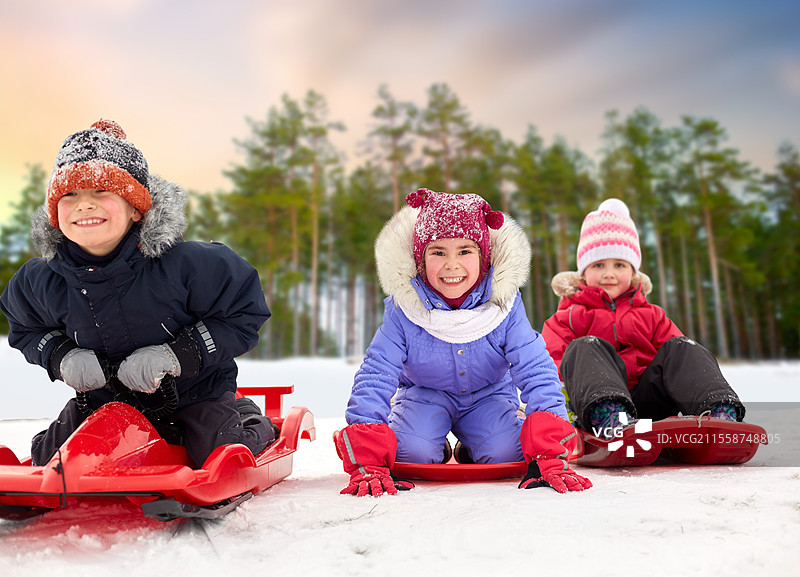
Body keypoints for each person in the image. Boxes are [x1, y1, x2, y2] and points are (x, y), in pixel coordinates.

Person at [0, 119, 277, 468]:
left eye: (101, 192)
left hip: (195, 393)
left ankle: (250, 419)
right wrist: (61, 356)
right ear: (55, 213)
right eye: (69, 195)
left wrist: (177, 354)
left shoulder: (190, 265)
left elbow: (243, 313)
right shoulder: (40, 279)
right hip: (104, 398)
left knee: (217, 456)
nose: (84, 206)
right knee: (49, 460)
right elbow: (26, 328)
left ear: (135, 208)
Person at [333, 188, 592, 496]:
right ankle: (433, 442)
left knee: (509, 454)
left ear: (483, 258)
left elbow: (535, 367)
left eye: (465, 251)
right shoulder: (404, 309)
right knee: (409, 455)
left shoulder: (504, 305)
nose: (451, 265)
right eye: (438, 252)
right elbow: (376, 372)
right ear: (420, 260)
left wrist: (551, 451)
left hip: (489, 395)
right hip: (425, 395)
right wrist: (369, 459)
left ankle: (475, 444)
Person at [542, 198, 745, 439]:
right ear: (583, 274)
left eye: (619, 265)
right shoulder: (567, 318)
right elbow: (547, 368)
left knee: (682, 347)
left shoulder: (652, 315)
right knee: (584, 346)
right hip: (595, 406)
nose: (609, 274)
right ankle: (611, 416)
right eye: (598, 265)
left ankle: (719, 413)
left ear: (633, 272)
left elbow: (681, 365)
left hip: (651, 405)